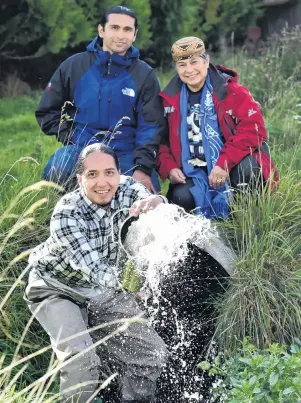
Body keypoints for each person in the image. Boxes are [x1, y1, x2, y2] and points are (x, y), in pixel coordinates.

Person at [24, 143, 168, 403]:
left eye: (109, 173)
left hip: (103, 290)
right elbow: (94, 269)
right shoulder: (66, 213)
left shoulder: (125, 188)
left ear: (118, 173)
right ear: (80, 179)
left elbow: (149, 200)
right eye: (92, 175)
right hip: (57, 288)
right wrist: (135, 287)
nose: (103, 182)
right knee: (82, 361)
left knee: (152, 352)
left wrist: (158, 201)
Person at [36, 5, 164, 193]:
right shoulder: (74, 65)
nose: (121, 35)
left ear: (135, 35)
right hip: (83, 148)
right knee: (58, 169)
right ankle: (72, 208)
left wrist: (143, 167)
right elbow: (46, 111)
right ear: (101, 30)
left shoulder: (144, 74)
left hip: (126, 152)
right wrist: (71, 135)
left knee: (145, 192)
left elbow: (151, 126)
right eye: (114, 28)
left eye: (127, 29)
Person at [157, 36, 279, 218]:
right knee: (181, 197)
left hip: (233, 164)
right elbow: (160, 141)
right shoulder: (168, 100)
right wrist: (169, 167)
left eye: (194, 62)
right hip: (193, 171)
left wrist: (223, 163)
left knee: (248, 173)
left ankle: (249, 224)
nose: (189, 70)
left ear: (206, 62)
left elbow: (254, 129)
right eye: (182, 65)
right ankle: (207, 235)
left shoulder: (231, 91)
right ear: (176, 68)